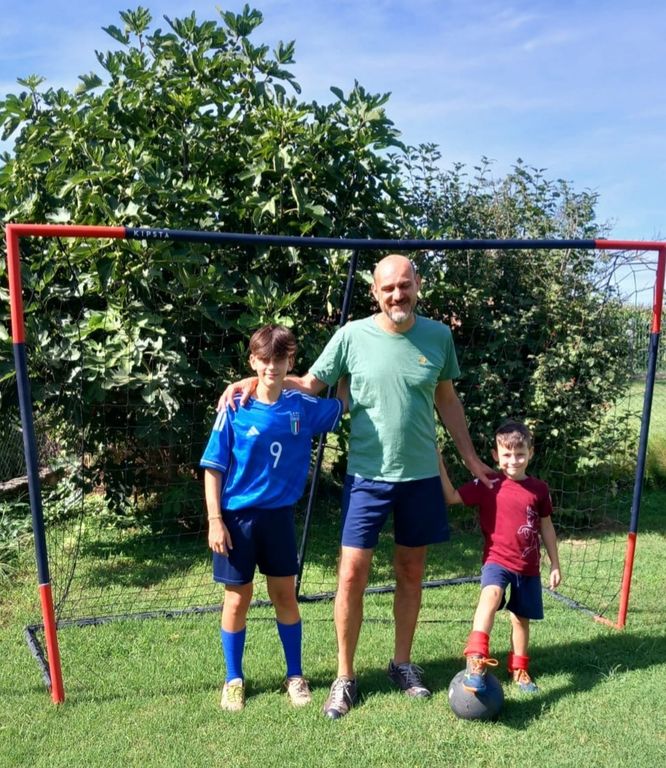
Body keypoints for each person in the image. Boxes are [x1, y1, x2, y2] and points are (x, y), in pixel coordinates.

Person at [219, 254, 492, 719]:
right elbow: (309, 384)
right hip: (366, 477)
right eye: (388, 288)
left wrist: (471, 459)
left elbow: (447, 399)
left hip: (420, 476)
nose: (397, 295)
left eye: (404, 285)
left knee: (411, 571)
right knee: (350, 575)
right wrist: (255, 377)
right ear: (374, 292)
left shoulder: (438, 336)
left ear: (417, 285)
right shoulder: (351, 336)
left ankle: (402, 664)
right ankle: (344, 676)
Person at [201, 324, 343, 711]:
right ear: (252, 361)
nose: (271, 367)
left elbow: (341, 406)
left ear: (289, 362)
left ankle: (295, 675)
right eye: (264, 359)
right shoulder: (234, 407)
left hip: (278, 519)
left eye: (279, 359)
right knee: (237, 599)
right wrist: (215, 520)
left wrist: (348, 363)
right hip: (237, 521)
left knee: (285, 596)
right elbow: (213, 468)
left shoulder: (301, 407)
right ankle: (233, 679)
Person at [438, 420, 561, 694]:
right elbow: (452, 497)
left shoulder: (539, 489)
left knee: (520, 619)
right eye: (507, 454)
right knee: (491, 595)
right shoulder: (488, 483)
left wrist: (555, 563)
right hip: (497, 560)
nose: (513, 461)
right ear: (495, 455)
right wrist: (439, 464)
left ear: (531, 453)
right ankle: (476, 658)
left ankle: (519, 669)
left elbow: (547, 526)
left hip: (528, 566)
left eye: (520, 454)